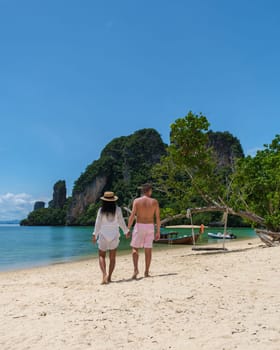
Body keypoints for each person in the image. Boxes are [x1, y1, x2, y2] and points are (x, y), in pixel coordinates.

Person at [92, 191, 129, 284]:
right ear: (113, 200)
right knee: (112, 257)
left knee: (101, 255)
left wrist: (95, 235)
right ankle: (109, 277)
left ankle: (104, 274)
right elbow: (121, 222)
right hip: (114, 235)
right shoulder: (118, 209)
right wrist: (126, 231)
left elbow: (98, 223)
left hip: (103, 235)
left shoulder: (101, 210)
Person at [127, 183, 161, 279]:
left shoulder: (137, 201)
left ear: (142, 191)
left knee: (135, 248)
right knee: (148, 250)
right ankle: (146, 272)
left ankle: (136, 269)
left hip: (139, 226)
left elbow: (132, 215)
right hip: (150, 226)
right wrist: (158, 231)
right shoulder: (154, 202)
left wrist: (128, 229)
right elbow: (158, 218)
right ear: (149, 191)